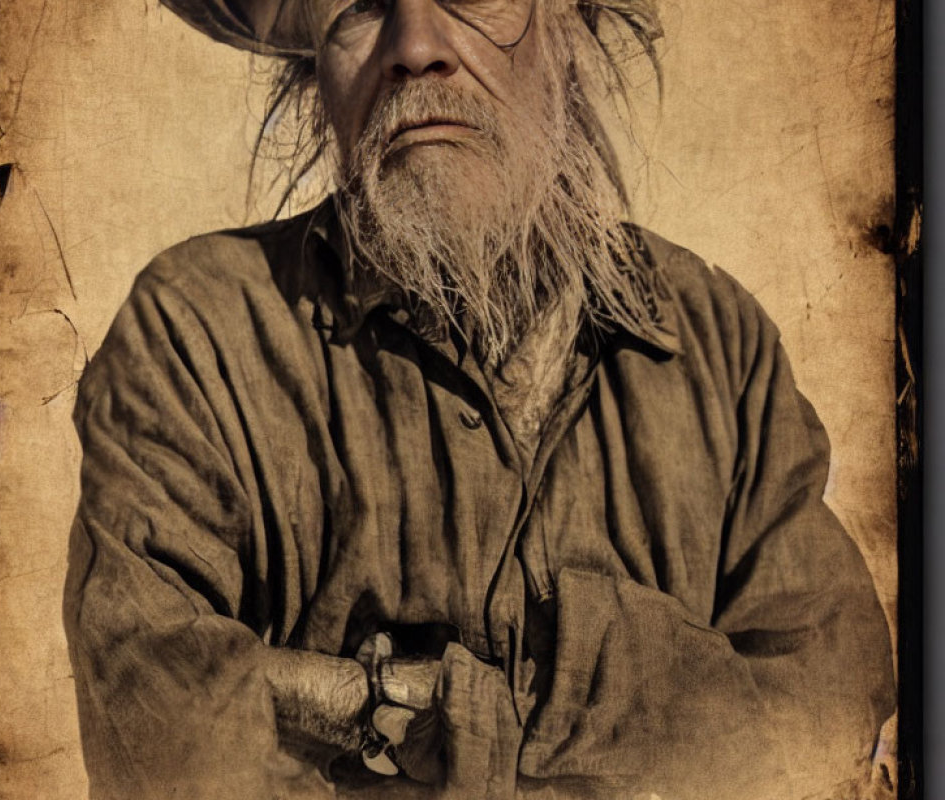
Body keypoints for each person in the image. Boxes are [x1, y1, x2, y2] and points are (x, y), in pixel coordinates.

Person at [62, 0, 896, 798]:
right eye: (360, 4)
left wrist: (388, 705)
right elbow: (162, 736)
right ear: (317, 71)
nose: (414, 44)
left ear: (574, 21)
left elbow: (825, 728)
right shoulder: (198, 331)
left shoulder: (718, 343)